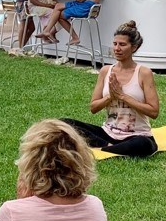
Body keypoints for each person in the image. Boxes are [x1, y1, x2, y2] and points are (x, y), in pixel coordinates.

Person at [61, 21, 159, 157]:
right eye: (115, 44)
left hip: (137, 135)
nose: (117, 48)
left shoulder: (144, 73)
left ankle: (103, 150)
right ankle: (110, 147)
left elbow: (154, 111)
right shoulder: (105, 71)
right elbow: (93, 108)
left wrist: (123, 96)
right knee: (64, 123)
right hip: (108, 133)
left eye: (122, 45)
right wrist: (110, 97)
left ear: (134, 47)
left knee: (143, 145)